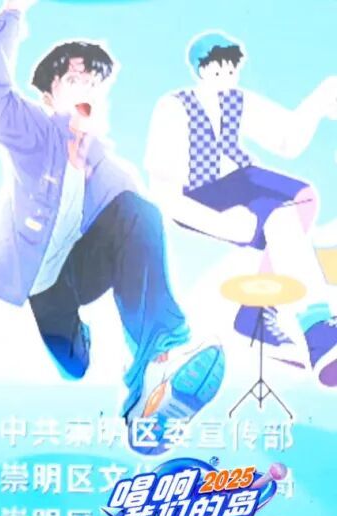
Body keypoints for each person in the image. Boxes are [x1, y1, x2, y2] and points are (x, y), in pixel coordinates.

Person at [0, 0, 225, 454]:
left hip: (80, 266)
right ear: (50, 98)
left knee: (139, 212)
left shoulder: (106, 164)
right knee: (75, 366)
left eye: (92, 82)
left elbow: (139, 242)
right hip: (41, 282)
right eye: (73, 80)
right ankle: (87, 347)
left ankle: (155, 362)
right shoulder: (36, 132)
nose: (85, 88)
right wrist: (12, 13)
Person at [143, 30, 337, 386]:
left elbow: (287, 139)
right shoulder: (175, 106)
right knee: (282, 217)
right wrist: (213, 220)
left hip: (239, 179)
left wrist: (320, 100)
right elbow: (162, 181)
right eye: (217, 70)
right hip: (198, 191)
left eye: (231, 71)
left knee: (302, 199)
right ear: (200, 70)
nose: (226, 78)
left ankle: (264, 316)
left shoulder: (238, 100)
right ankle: (314, 328)